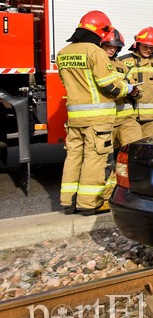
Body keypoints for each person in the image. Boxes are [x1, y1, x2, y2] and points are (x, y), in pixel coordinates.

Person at [57, 11, 138, 214]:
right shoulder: (95, 52)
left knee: (74, 157)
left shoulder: (63, 52)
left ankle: (68, 201)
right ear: (99, 31)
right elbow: (109, 86)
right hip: (98, 118)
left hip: (74, 118)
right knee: (96, 158)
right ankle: (88, 204)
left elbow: (65, 83)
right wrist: (128, 89)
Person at [101, 28, 144, 148]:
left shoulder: (121, 65)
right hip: (106, 120)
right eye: (109, 45)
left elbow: (136, 88)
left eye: (115, 47)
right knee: (105, 159)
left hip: (127, 119)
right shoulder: (96, 64)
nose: (112, 49)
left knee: (135, 152)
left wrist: (135, 93)